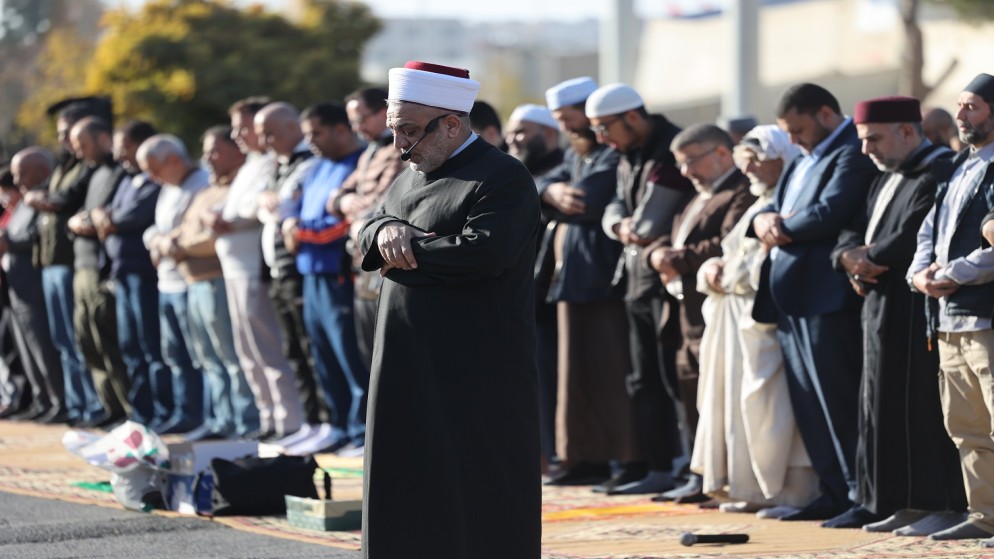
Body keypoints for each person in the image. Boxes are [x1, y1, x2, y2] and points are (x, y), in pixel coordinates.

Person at [357, 61, 541, 559]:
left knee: (477, 489)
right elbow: (370, 227)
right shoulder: (409, 174)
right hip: (405, 359)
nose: (400, 145)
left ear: (452, 124)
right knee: (406, 481)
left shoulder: (502, 176)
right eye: (395, 130)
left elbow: (485, 253)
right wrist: (388, 232)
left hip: (475, 366)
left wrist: (404, 253)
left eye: (409, 131)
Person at [830, 96, 967, 533]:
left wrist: (867, 259)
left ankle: (934, 502)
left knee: (919, 406)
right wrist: (848, 258)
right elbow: (851, 227)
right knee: (879, 404)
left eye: (873, 139)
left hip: (914, 306)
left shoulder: (939, 171)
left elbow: (914, 236)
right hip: (877, 303)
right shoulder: (884, 176)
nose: (865, 149)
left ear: (907, 131)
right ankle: (895, 500)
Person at [749, 83, 878, 522]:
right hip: (791, 299)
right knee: (809, 404)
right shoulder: (804, 157)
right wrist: (764, 220)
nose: (794, 139)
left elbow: (831, 211)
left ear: (825, 114)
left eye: (798, 129)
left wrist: (779, 228)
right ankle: (833, 491)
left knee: (838, 402)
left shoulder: (851, 151)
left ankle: (860, 495)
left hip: (827, 296)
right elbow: (772, 208)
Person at [694, 126, 819, 517]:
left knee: (771, 409)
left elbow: (760, 264)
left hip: (764, 319)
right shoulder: (759, 204)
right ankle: (750, 488)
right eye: (744, 163)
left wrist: (726, 274)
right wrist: (711, 269)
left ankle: (792, 493)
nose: (748, 171)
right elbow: (735, 253)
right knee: (738, 408)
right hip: (734, 322)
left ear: (780, 159)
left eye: (755, 162)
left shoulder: (790, 201)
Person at [593, 83, 696, 499]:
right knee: (642, 379)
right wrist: (621, 226)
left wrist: (627, 226)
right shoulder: (628, 153)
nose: (602, 139)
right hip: (637, 280)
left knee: (673, 378)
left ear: (632, 117)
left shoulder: (672, 149)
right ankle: (659, 467)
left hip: (667, 284)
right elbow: (614, 208)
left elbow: (652, 222)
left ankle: (688, 467)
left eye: (605, 128)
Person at [645, 124, 757, 501]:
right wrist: (656, 254)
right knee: (690, 394)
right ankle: (700, 476)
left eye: (692, 161)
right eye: (681, 164)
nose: (686, 172)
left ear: (721, 153)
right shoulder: (697, 195)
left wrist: (673, 258)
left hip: (715, 313)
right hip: (684, 316)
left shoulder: (740, 191)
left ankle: (719, 478)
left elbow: (725, 244)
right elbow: (668, 237)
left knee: (716, 398)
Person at [907, 73, 994, 541]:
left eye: (972, 106)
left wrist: (954, 272)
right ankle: (985, 516)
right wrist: (920, 274)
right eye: (959, 106)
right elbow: (929, 230)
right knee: (966, 426)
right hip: (947, 318)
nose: (961, 115)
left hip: (985, 316)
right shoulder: (960, 166)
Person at [215, 97, 300, 441]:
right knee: (248, 350)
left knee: (268, 348)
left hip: (254, 267)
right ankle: (269, 417)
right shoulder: (250, 164)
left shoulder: (270, 163)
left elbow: (259, 207)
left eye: (243, 127)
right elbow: (234, 206)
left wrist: (230, 218)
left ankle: (288, 419)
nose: (237, 134)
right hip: (233, 268)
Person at [288, 102, 367, 455]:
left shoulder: (359, 164)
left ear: (341, 129)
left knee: (349, 355)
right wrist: (292, 225)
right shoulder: (316, 166)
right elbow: (297, 211)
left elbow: (343, 223)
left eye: (316, 133)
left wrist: (298, 231)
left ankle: (361, 430)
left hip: (338, 274)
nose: (310, 141)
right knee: (322, 355)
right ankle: (337, 426)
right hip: (311, 273)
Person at [24, 100, 107, 426]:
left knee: (79, 340)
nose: (64, 141)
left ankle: (95, 405)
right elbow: (49, 195)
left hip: (72, 262)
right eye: (61, 135)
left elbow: (65, 198)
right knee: (63, 341)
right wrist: (43, 198)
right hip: (50, 263)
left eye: (68, 133)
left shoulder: (87, 167)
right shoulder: (63, 165)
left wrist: (44, 199)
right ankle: (77, 405)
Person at [170, 125, 254, 440]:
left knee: (231, 356)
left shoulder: (238, 188)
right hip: (194, 283)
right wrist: (169, 242)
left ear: (237, 152)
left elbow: (212, 239)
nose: (207, 158)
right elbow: (183, 229)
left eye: (215, 151)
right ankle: (221, 419)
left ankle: (244, 421)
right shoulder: (206, 191)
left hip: (217, 280)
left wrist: (179, 247)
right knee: (207, 358)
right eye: (205, 152)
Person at [91, 120, 164, 428]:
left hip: (144, 275)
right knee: (131, 347)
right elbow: (104, 211)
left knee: (152, 347)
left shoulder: (155, 182)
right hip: (122, 274)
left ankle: (162, 411)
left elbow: (130, 217)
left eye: (125, 148)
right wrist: (105, 217)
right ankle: (141, 413)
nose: (120, 155)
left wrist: (109, 219)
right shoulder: (126, 179)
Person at [505, 102, 564, 478]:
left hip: (554, 294)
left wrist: (547, 191)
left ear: (550, 134)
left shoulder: (565, 169)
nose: (514, 139)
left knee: (552, 378)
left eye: (522, 131)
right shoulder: (515, 170)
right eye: (511, 131)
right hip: (520, 292)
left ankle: (554, 454)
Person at [252, 102, 316, 443]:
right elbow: (264, 207)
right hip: (276, 269)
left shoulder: (309, 161)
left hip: (299, 269)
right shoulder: (277, 165)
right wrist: (270, 203)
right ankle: (311, 421)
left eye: (270, 133)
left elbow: (285, 206)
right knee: (292, 349)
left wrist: (273, 204)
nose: (264, 141)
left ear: (293, 128)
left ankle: (327, 421)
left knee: (310, 347)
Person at [328, 87, 405, 370]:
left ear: (383, 112)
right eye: (352, 122)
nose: (356, 128)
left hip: (382, 260)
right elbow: (335, 197)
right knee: (368, 353)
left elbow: (382, 203)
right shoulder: (368, 153)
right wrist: (344, 201)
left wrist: (356, 213)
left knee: (389, 355)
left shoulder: (397, 150)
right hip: (360, 261)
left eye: (361, 119)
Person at [139, 134, 208, 435]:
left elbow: (189, 231)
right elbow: (155, 230)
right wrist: (157, 240)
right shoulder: (168, 188)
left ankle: (205, 416)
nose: (151, 177)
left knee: (198, 354)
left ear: (175, 160)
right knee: (175, 354)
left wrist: (163, 241)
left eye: (154, 169)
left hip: (189, 281)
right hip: (166, 282)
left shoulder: (201, 184)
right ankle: (185, 412)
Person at [66, 117, 132, 427]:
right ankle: (110, 406)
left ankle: (127, 408)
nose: (79, 153)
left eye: (84, 145)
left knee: (108, 339)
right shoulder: (91, 173)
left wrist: (87, 221)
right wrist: (77, 222)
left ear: (104, 139)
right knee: (87, 340)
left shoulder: (120, 172)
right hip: (81, 266)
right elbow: (79, 212)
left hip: (101, 268)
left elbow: (106, 216)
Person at [4, 150, 66, 423]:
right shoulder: (23, 202)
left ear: (42, 171)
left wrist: (8, 243)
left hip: (35, 287)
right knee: (28, 351)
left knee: (45, 348)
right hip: (16, 288)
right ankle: (43, 400)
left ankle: (59, 401)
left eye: (22, 174)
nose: (17, 181)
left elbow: (37, 236)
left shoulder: (43, 199)